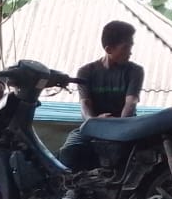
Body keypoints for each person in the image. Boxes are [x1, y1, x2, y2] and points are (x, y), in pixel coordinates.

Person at [59, 20, 144, 171]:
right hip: (94, 126)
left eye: (131, 46)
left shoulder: (135, 71)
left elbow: (130, 104)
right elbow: (85, 104)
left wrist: (119, 127)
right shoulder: (86, 71)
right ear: (109, 49)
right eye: (126, 47)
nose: (130, 52)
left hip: (125, 127)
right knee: (69, 151)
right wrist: (94, 122)